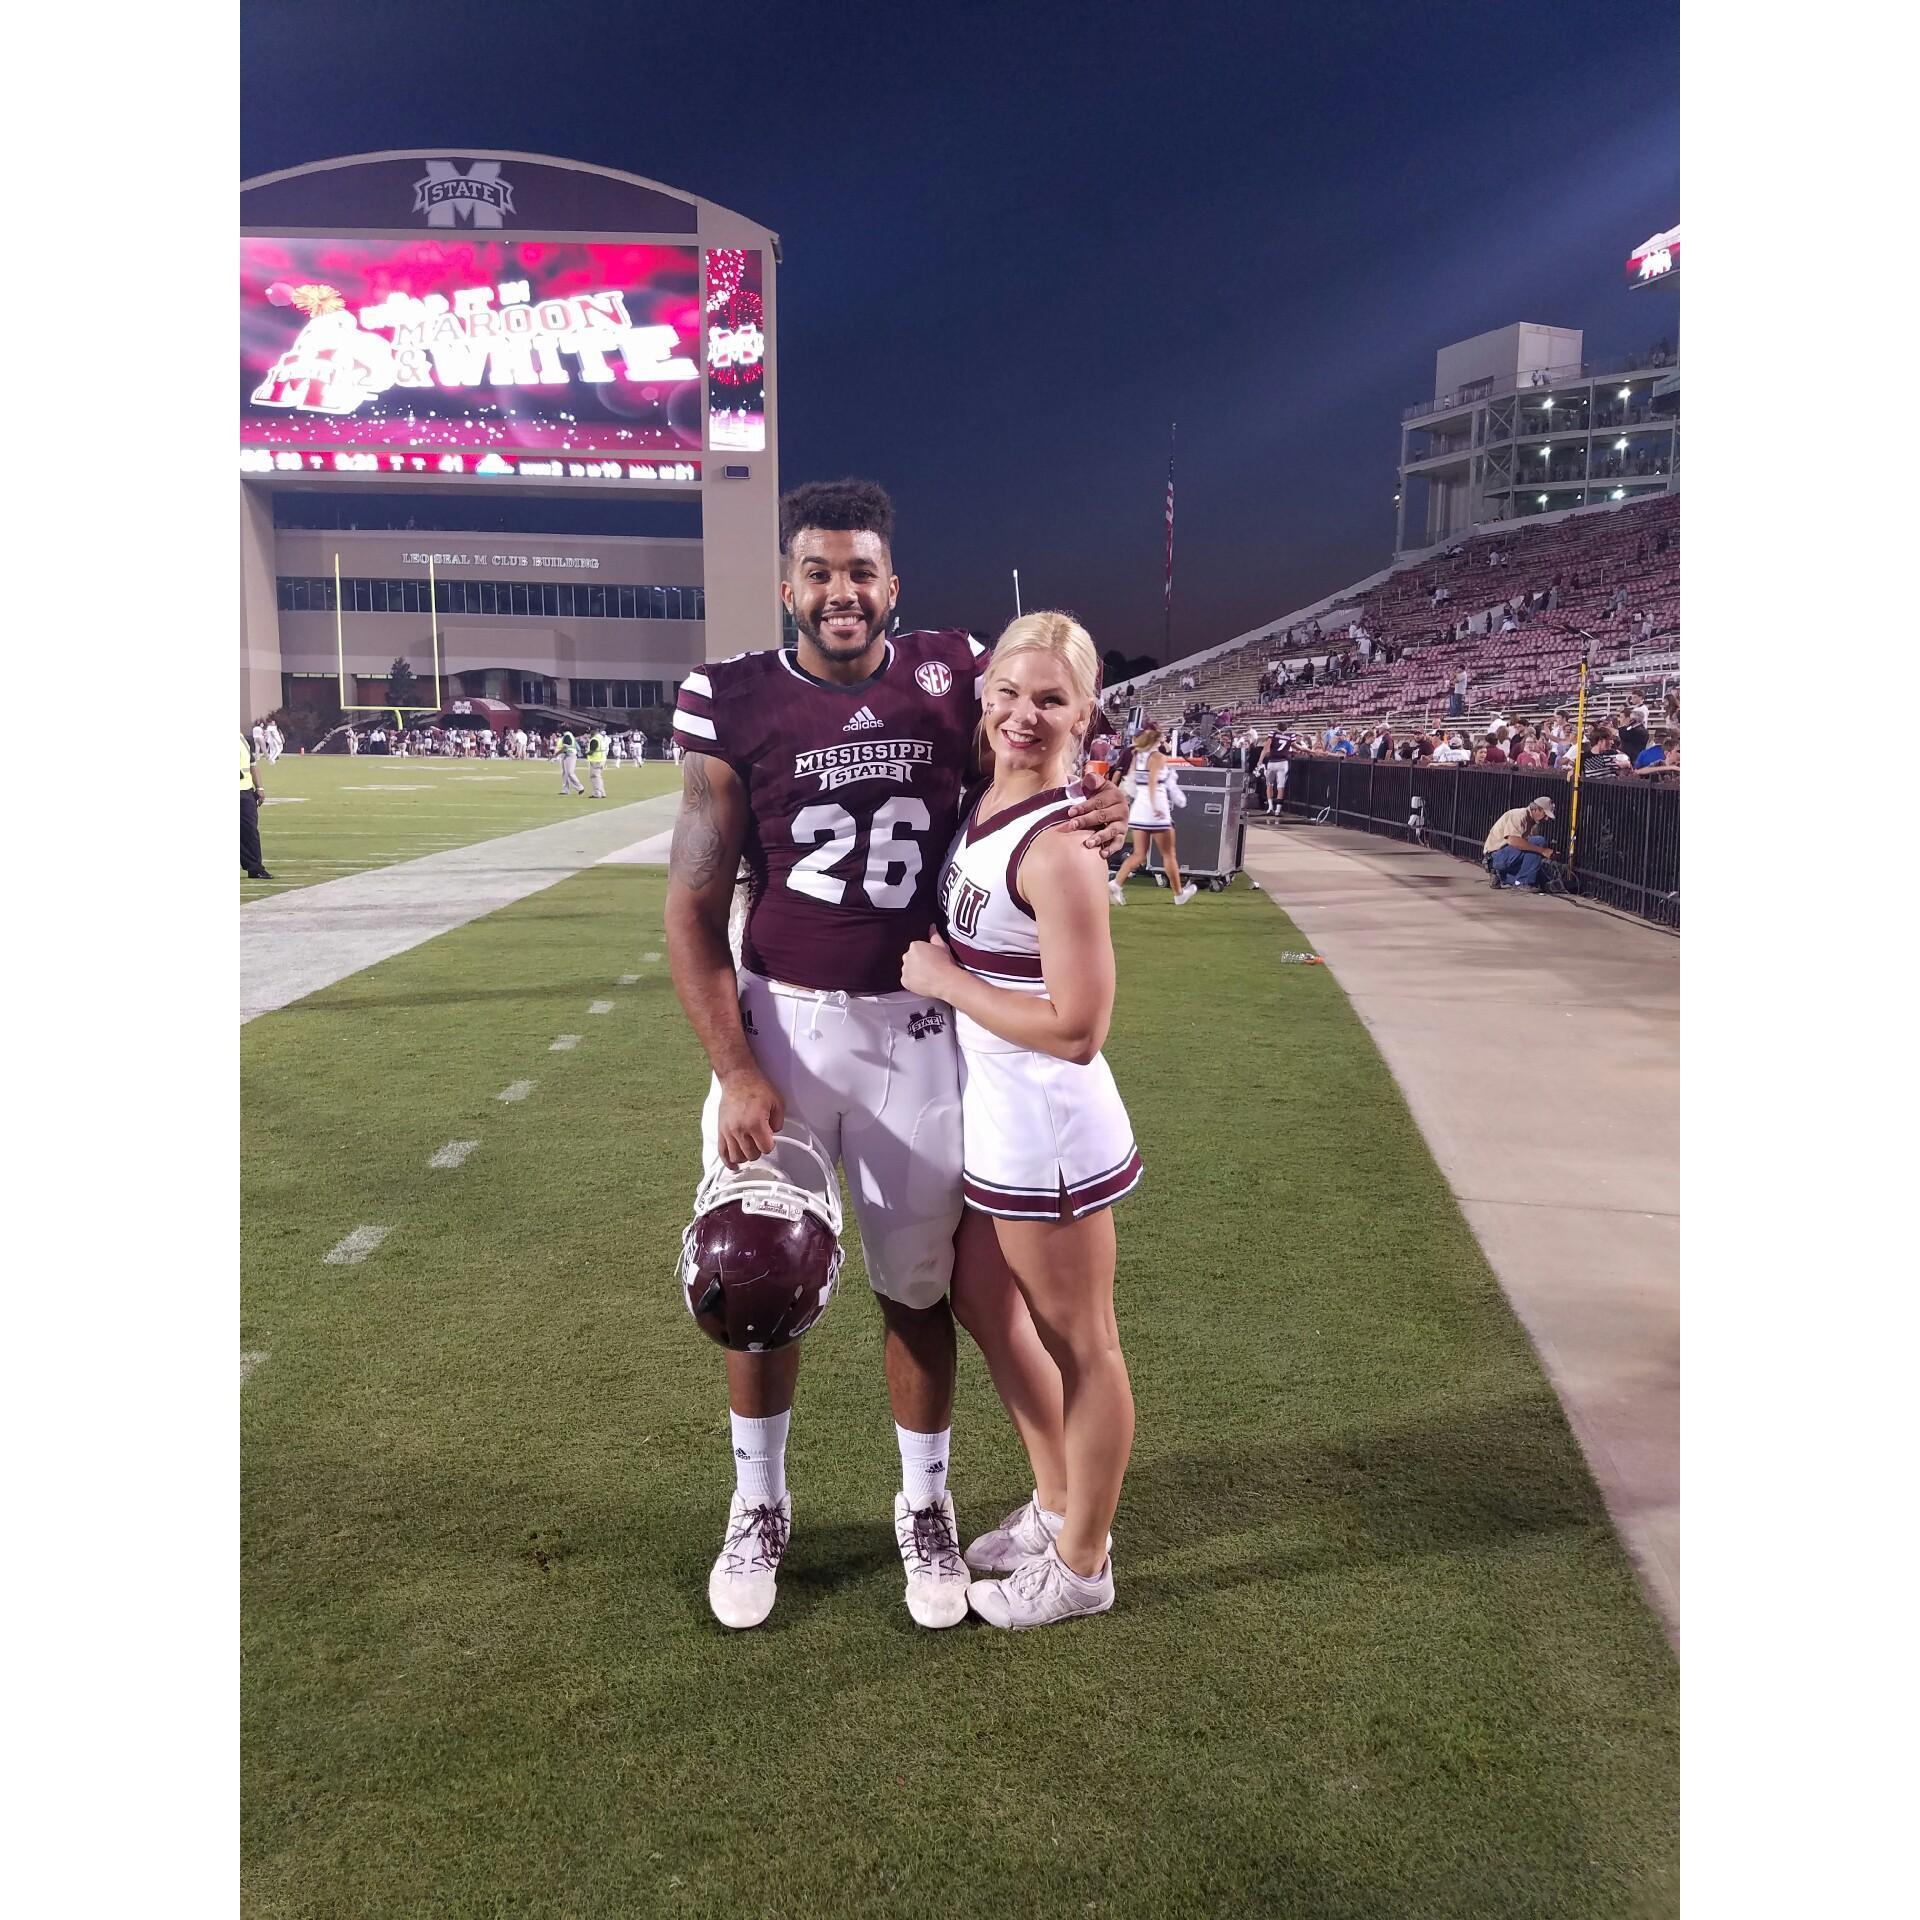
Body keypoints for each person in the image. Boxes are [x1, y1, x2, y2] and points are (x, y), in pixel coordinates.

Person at [663, 479, 1126, 1634]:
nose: (840, 593)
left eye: (861, 572)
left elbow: (1033, 759)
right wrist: (733, 1067)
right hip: (782, 1029)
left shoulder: (947, 675)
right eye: (818, 572)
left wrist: (1100, 803)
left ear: (892, 586)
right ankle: (756, 1500)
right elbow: (690, 905)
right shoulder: (730, 700)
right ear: (788, 584)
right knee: (753, 1273)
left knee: (917, 1288)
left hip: (918, 1033)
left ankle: (924, 1503)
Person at [900, 612, 1137, 1628]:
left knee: (1085, 1343)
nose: (1022, 714)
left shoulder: (1063, 848)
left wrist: (947, 981)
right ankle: (1053, 1504)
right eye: (1008, 691)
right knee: (985, 1308)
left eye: (1051, 700)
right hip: (996, 1113)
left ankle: (1084, 1565)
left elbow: (1079, 1027)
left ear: (1087, 713)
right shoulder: (991, 793)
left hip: (1046, 1124)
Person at [1107, 725, 1194, 905]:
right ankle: (1179, 894)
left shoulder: (1137, 757)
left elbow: (1130, 782)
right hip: (1155, 810)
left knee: (1139, 854)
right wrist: (1156, 807)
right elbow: (1153, 783)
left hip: (1139, 810)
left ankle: (1116, 884)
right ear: (1155, 740)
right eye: (1161, 739)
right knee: (1169, 854)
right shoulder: (1158, 757)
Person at [1483, 796, 1558, 890]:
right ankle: (1522, 882)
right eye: (1545, 814)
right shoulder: (1518, 815)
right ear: (1535, 809)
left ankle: (1501, 875)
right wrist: (1542, 851)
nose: (1546, 819)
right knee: (1539, 841)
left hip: (1504, 857)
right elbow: (1513, 841)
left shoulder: (1531, 823)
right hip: (1496, 856)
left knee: (1540, 879)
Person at [240, 733, 271, 880]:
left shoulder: (241, 738)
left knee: (250, 831)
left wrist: (259, 788)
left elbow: (252, 765)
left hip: (245, 792)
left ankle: (255, 868)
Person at [1256, 725, 1290, 815]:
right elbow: (1296, 747)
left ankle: (1270, 807)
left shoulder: (1273, 735)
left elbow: (1266, 749)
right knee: (1280, 786)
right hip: (1283, 762)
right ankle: (1278, 810)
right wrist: (1311, 752)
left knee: (1269, 785)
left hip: (1272, 762)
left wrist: (1260, 760)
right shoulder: (1289, 737)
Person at [585, 725, 610, 798]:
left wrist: (586, 753)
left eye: (591, 731)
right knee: (598, 776)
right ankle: (602, 792)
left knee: (594, 777)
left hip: (595, 760)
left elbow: (592, 751)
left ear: (594, 731)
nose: (590, 733)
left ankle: (597, 793)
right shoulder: (602, 738)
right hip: (602, 759)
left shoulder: (594, 739)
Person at [558, 729, 584, 795]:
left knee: (569, 773)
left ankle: (579, 787)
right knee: (564, 773)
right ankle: (565, 790)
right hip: (566, 755)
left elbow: (565, 747)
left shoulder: (567, 736)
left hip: (569, 755)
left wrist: (555, 754)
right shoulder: (570, 736)